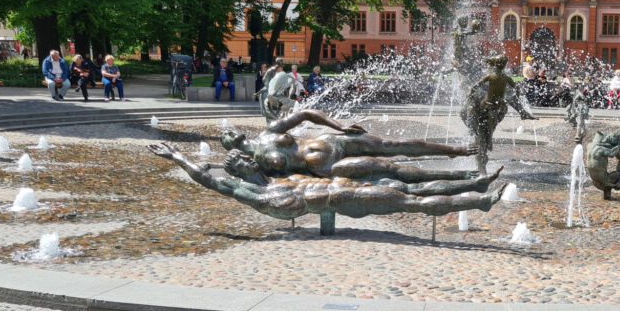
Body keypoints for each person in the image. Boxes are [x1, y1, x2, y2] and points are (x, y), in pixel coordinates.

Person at [150, 142, 507, 223]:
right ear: (239, 172)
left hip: (344, 188)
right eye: (243, 161)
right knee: (409, 202)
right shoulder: (254, 191)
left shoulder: (278, 176)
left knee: (411, 187)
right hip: (342, 202)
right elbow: (209, 180)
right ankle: (480, 201)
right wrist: (176, 157)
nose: (249, 159)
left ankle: (475, 185)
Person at [221, 107, 483, 184]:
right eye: (226, 137)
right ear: (229, 147)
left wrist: (338, 126)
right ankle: (457, 177)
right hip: (327, 167)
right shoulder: (253, 166)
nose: (230, 133)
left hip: (331, 140)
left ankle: (453, 151)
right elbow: (274, 184)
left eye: (230, 131)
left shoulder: (269, 132)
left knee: (394, 144)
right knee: (388, 167)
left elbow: (306, 114)